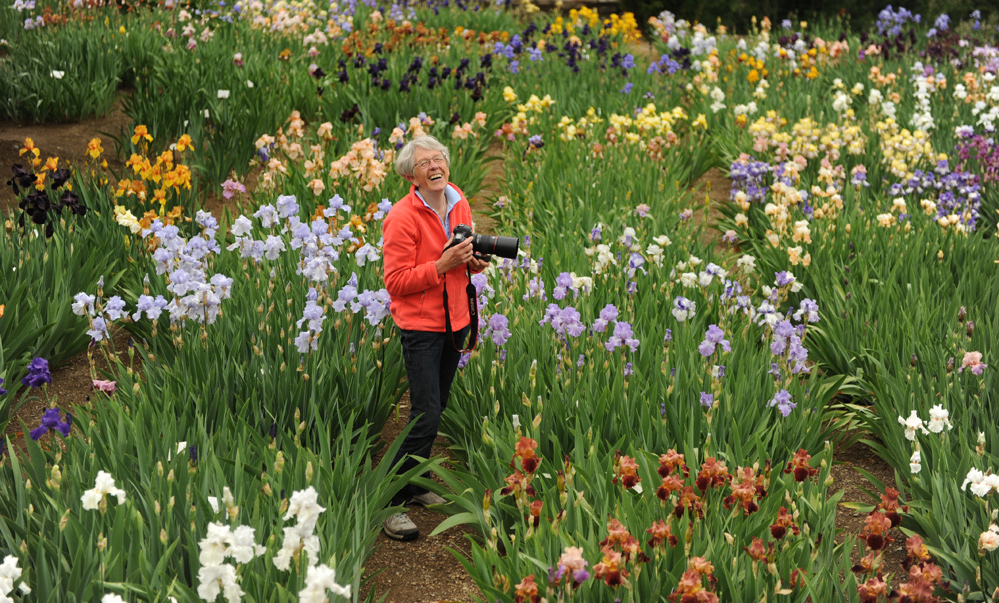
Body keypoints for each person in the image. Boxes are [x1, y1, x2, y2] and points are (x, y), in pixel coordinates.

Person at [381, 135, 489, 541]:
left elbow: (466, 259)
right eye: (425, 162)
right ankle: (390, 504)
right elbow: (395, 282)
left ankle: (414, 483)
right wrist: (441, 265)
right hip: (421, 326)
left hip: (455, 319)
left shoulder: (458, 199)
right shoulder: (401, 217)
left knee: (437, 407)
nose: (435, 165)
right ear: (412, 174)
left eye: (439, 158)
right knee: (424, 413)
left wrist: (472, 263)